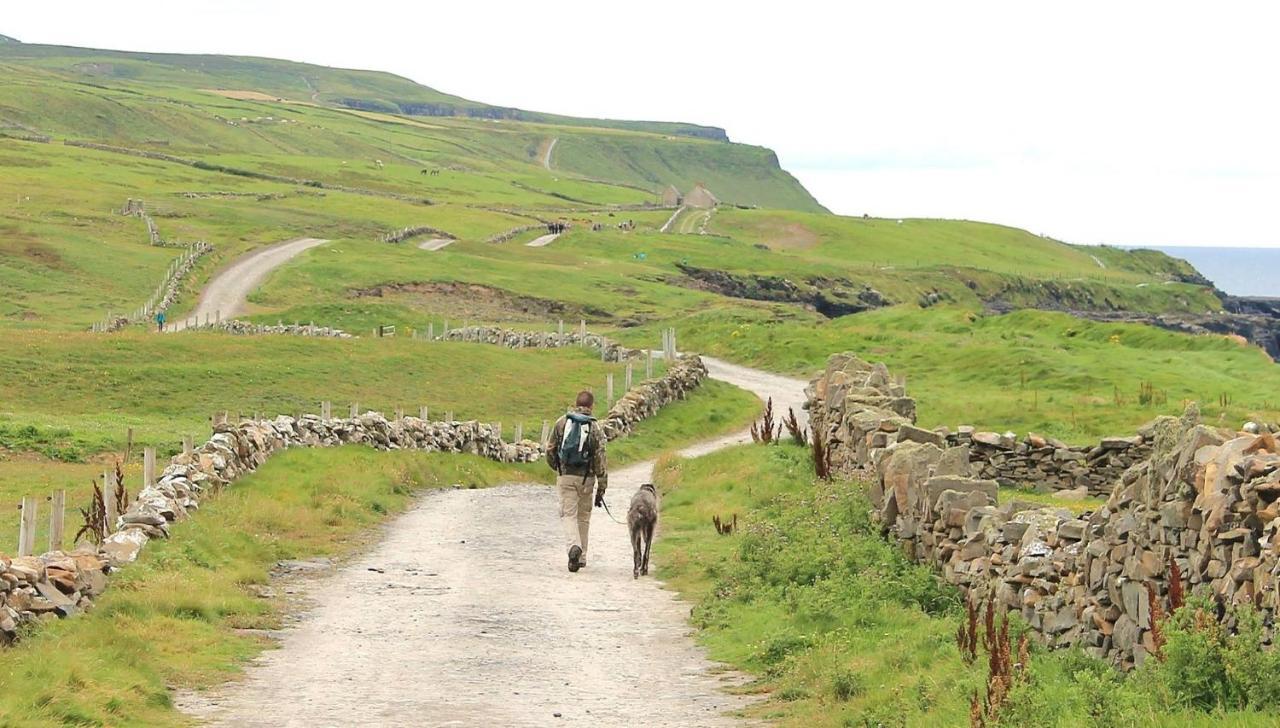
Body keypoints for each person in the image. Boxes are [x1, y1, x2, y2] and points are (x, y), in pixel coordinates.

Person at [545, 390, 608, 572]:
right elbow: (600, 460)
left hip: (565, 476)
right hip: (586, 479)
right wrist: (601, 487)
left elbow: (550, 450)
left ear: (575, 404)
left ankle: (573, 546)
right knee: (583, 517)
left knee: (568, 515)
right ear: (591, 406)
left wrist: (558, 468)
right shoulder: (595, 428)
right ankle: (581, 556)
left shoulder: (562, 422)